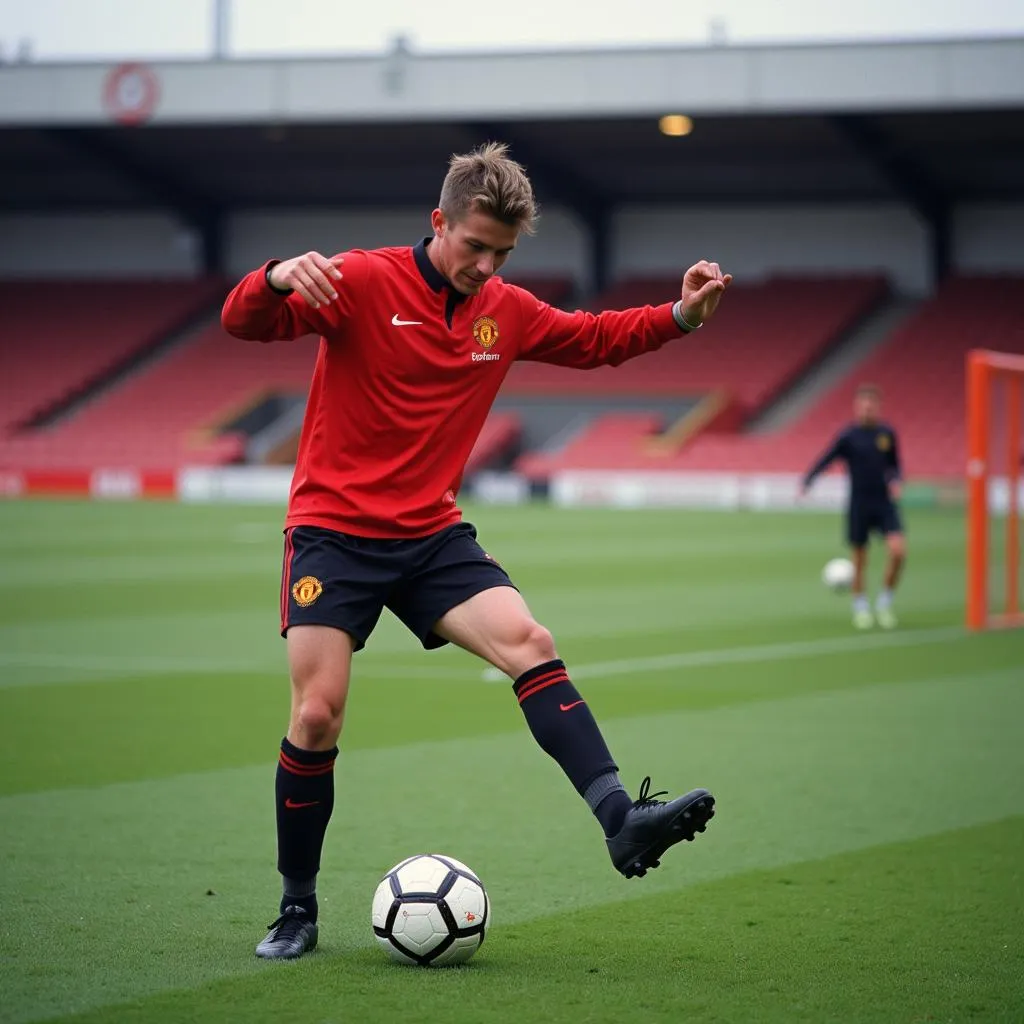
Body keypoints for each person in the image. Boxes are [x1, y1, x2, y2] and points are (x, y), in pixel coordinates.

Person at [221, 142, 732, 960]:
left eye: (502, 252)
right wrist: (277, 276)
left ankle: (621, 822)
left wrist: (679, 316)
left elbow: (595, 338)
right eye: (474, 246)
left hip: (429, 533)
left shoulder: (507, 309)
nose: (486, 265)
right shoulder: (359, 280)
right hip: (334, 532)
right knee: (316, 716)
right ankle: (297, 908)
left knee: (531, 642)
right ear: (439, 223)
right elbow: (242, 320)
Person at [801, 383, 906, 630]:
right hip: (858, 503)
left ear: (877, 406)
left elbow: (895, 464)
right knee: (860, 559)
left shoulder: (886, 434)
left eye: (871, 403)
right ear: (857, 407)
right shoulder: (848, 436)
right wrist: (809, 480)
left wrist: (896, 480)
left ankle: (884, 602)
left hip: (883, 503)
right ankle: (860, 608)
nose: (867, 408)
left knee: (898, 551)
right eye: (863, 403)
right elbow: (827, 457)